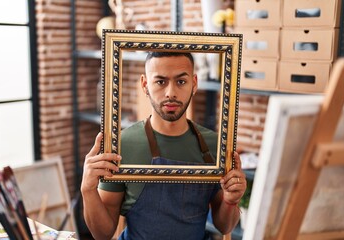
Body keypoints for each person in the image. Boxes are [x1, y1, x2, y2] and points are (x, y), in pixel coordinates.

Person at [81, 51, 247, 240]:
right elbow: (102, 234)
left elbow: (224, 225)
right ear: (145, 85)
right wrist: (88, 189)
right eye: (160, 82)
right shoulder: (123, 145)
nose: (171, 93)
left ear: (194, 83)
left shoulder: (215, 145)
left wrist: (231, 201)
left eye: (181, 82)